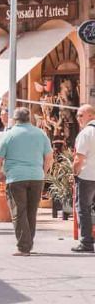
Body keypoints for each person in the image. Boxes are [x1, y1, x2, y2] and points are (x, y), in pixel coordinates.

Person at [0, 107, 54, 256]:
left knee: (19, 212)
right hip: (36, 177)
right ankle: (28, 244)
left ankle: (23, 247)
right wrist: (43, 172)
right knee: (31, 211)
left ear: (15, 119)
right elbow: (49, 157)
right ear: (29, 119)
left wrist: (0, 173)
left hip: (16, 177)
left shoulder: (9, 135)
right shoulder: (41, 134)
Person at [72, 104, 95, 253]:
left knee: (83, 209)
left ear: (91, 116)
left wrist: (75, 173)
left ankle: (86, 242)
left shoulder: (86, 133)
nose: (78, 118)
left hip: (87, 176)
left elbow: (78, 158)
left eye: (81, 115)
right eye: (78, 115)